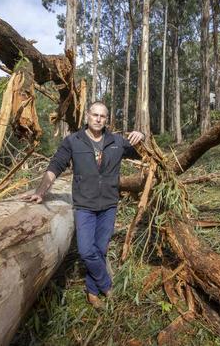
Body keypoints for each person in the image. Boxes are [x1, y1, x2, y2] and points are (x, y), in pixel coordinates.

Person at [23, 101, 144, 308]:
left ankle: (92, 291)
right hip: (84, 206)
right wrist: (41, 192)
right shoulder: (73, 141)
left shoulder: (116, 141)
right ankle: (106, 284)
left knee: (101, 249)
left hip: (109, 204)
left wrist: (142, 136)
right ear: (87, 116)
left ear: (107, 119)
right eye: (95, 115)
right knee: (87, 251)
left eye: (102, 116)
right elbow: (55, 166)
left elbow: (143, 153)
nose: (98, 119)